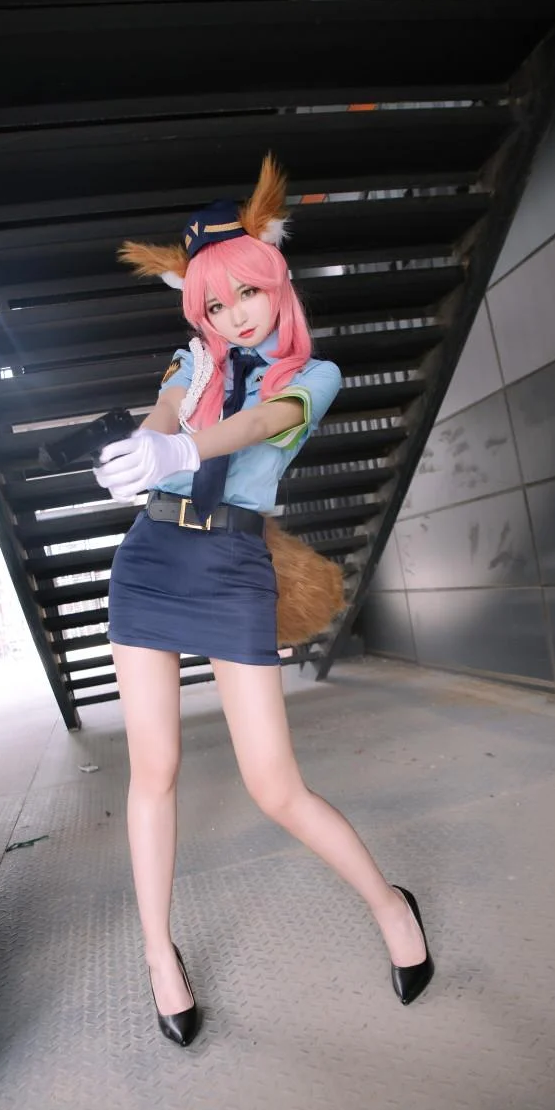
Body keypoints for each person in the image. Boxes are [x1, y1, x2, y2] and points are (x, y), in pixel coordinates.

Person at [94, 156, 433, 1047]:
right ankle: (158, 955)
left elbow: (261, 423)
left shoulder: (314, 373)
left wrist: (184, 450)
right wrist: (141, 449)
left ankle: (390, 904)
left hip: (234, 563)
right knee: (154, 770)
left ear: (276, 281)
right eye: (215, 303)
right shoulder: (192, 358)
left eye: (247, 291)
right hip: (150, 560)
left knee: (275, 786)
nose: (235, 314)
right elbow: (167, 411)